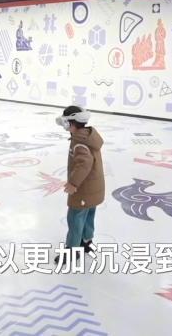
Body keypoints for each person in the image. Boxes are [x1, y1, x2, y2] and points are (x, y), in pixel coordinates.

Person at [54, 105, 105, 265]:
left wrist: (73, 183)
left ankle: (72, 250)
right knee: (88, 215)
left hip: (83, 189)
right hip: (93, 188)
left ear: (70, 123)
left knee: (75, 218)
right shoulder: (88, 136)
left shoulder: (79, 142)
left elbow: (84, 164)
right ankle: (86, 242)